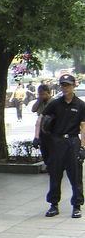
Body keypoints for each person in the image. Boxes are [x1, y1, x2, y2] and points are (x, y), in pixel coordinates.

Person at [41, 74, 85, 218]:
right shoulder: (55, 103)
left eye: (68, 85)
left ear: (74, 85)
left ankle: (76, 205)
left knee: (75, 175)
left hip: (72, 141)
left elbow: (83, 127)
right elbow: (43, 118)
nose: (65, 88)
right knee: (55, 174)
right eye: (63, 85)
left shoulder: (80, 105)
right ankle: (54, 205)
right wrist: (40, 137)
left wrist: (83, 147)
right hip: (57, 142)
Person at [32, 84, 53, 168]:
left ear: (49, 93)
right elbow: (33, 109)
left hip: (51, 130)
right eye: (40, 94)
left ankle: (51, 166)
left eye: (43, 94)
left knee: (51, 149)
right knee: (43, 149)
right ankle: (48, 164)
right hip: (41, 129)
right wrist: (39, 100)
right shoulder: (40, 102)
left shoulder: (53, 102)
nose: (42, 96)